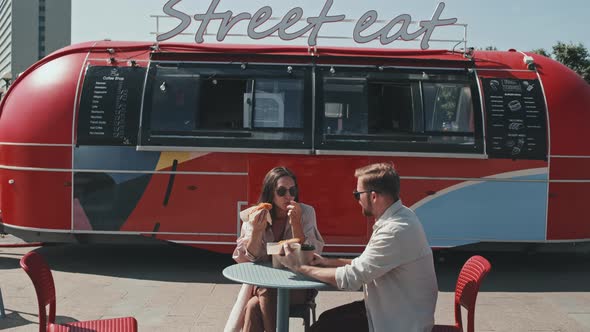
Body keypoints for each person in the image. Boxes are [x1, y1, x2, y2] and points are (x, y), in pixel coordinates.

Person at [277, 162, 438, 332]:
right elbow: (364, 265)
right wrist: (326, 262)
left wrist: (299, 267)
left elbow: (351, 279)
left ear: (373, 196)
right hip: (388, 310)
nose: (357, 200)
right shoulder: (399, 217)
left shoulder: (395, 230)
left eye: (357, 194)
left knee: (320, 329)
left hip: (398, 322)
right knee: (326, 321)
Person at [225, 166, 324, 332]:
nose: (288, 196)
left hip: (298, 283)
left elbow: (312, 255)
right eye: (281, 191)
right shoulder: (257, 214)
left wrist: (296, 224)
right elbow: (246, 259)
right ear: (271, 192)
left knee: (256, 302)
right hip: (264, 284)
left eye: (292, 190)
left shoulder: (305, 212)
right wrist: (256, 232)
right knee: (254, 305)